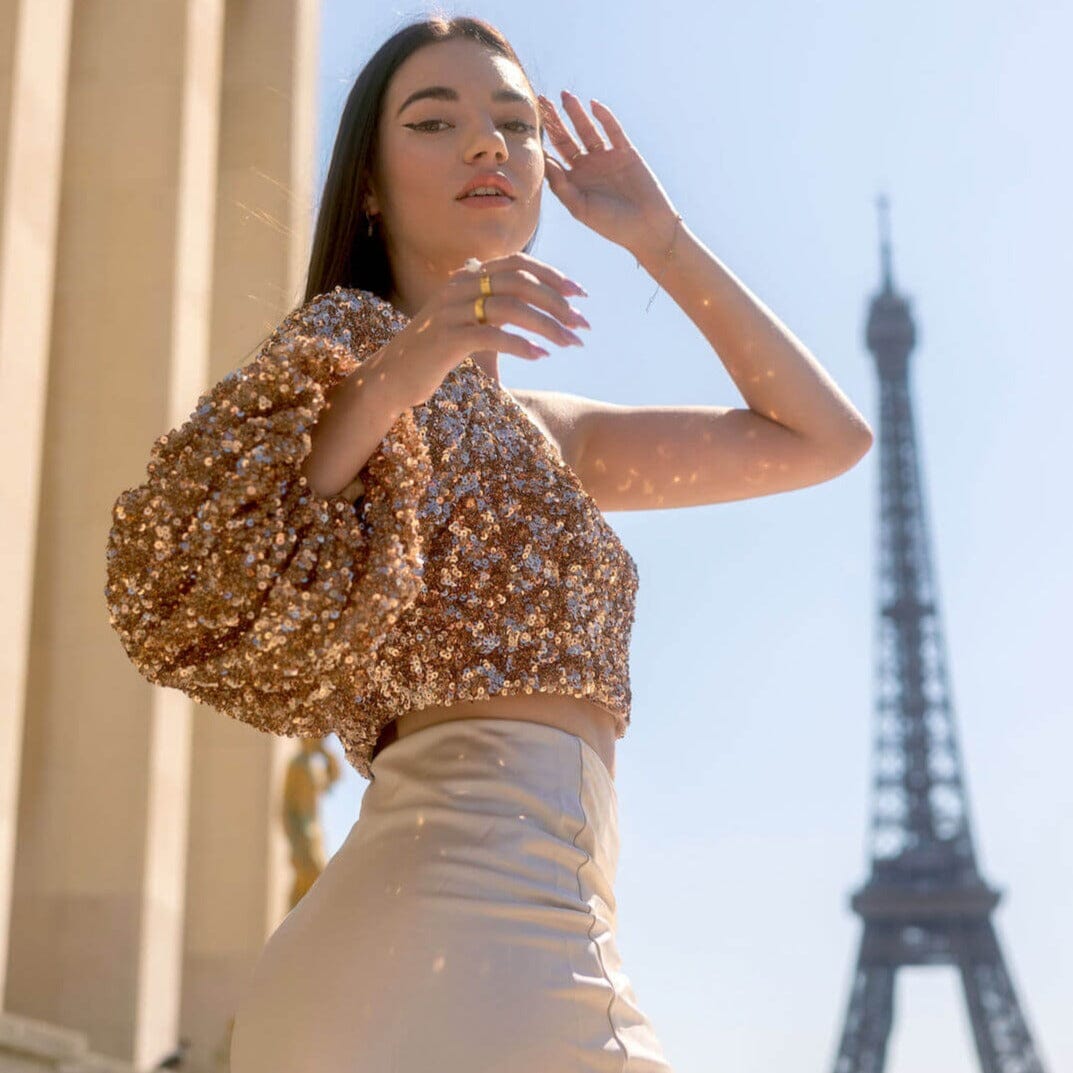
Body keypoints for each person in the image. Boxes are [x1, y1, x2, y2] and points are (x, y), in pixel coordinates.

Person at [104, 15, 873, 1073]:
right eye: (436, 120)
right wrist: (413, 353)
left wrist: (661, 239)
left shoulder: (558, 437)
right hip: (452, 940)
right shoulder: (341, 354)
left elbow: (821, 438)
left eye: (514, 124)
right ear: (368, 185)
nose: (487, 145)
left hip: (522, 931)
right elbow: (229, 538)